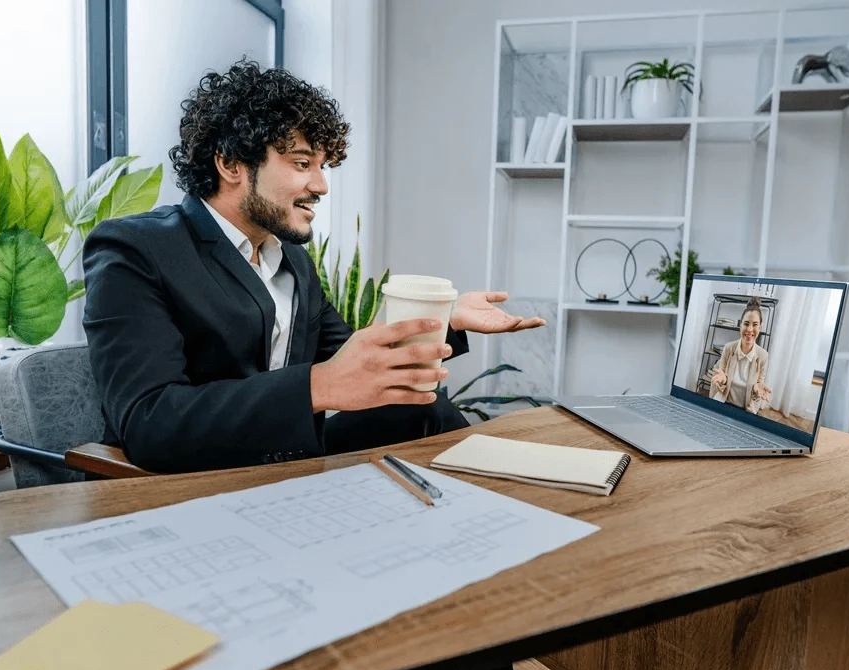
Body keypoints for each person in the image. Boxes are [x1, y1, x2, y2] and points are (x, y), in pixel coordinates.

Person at [81, 60, 544, 475]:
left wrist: (444, 319)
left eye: (323, 166)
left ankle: (495, 502)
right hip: (193, 477)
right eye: (302, 163)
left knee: (422, 409)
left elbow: (352, 359)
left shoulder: (295, 263)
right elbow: (150, 422)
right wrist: (318, 385)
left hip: (285, 462)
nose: (320, 185)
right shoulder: (136, 249)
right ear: (230, 163)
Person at [708, 297, 772, 413]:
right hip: (724, 402)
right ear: (740, 325)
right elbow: (722, 373)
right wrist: (723, 379)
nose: (750, 329)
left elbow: (759, 383)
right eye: (746, 324)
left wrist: (757, 388)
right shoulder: (729, 348)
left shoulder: (763, 356)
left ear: (760, 327)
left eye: (755, 325)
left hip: (746, 409)